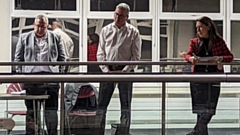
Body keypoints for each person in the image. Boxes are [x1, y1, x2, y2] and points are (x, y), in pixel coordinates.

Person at [14, 14, 66, 135]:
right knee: (32, 112)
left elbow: (62, 58)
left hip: (51, 79)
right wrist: (22, 78)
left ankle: (52, 133)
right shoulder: (24, 37)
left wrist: (60, 74)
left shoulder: (55, 37)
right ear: (34, 25)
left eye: (43, 27)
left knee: (51, 112)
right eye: (38, 26)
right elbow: (18, 59)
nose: (40, 29)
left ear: (47, 26)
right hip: (31, 80)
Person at [96, 3, 142, 135]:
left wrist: (125, 70)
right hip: (108, 70)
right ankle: (98, 131)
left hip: (125, 71)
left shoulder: (133, 32)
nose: (117, 17)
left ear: (127, 17)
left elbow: (136, 56)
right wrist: (106, 70)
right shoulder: (105, 30)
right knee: (101, 105)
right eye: (116, 14)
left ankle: (124, 132)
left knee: (125, 105)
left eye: (121, 15)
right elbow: (100, 53)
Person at [185, 16, 233, 135]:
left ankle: (196, 132)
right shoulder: (195, 42)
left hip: (213, 78)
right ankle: (200, 133)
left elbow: (230, 57)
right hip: (197, 78)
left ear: (208, 26)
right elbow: (187, 55)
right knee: (200, 111)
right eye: (197, 28)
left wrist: (220, 58)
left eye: (201, 27)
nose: (198, 30)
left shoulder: (218, 41)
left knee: (210, 110)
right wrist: (191, 59)